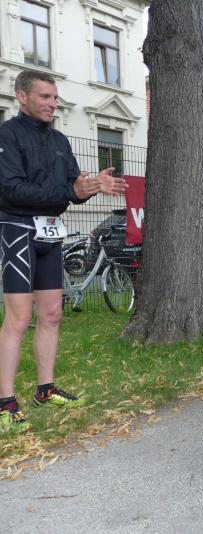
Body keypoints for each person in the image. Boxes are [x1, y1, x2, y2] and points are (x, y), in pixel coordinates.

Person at [0, 70, 126, 433]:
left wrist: (91, 185)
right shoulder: (7, 134)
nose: (52, 103)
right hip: (18, 229)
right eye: (45, 97)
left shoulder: (58, 139)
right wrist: (69, 192)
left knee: (53, 313)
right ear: (22, 96)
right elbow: (12, 190)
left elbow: (72, 186)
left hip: (51, 232)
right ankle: (5, 402)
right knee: (19, 318)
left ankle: (46, 390)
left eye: (55, 97)